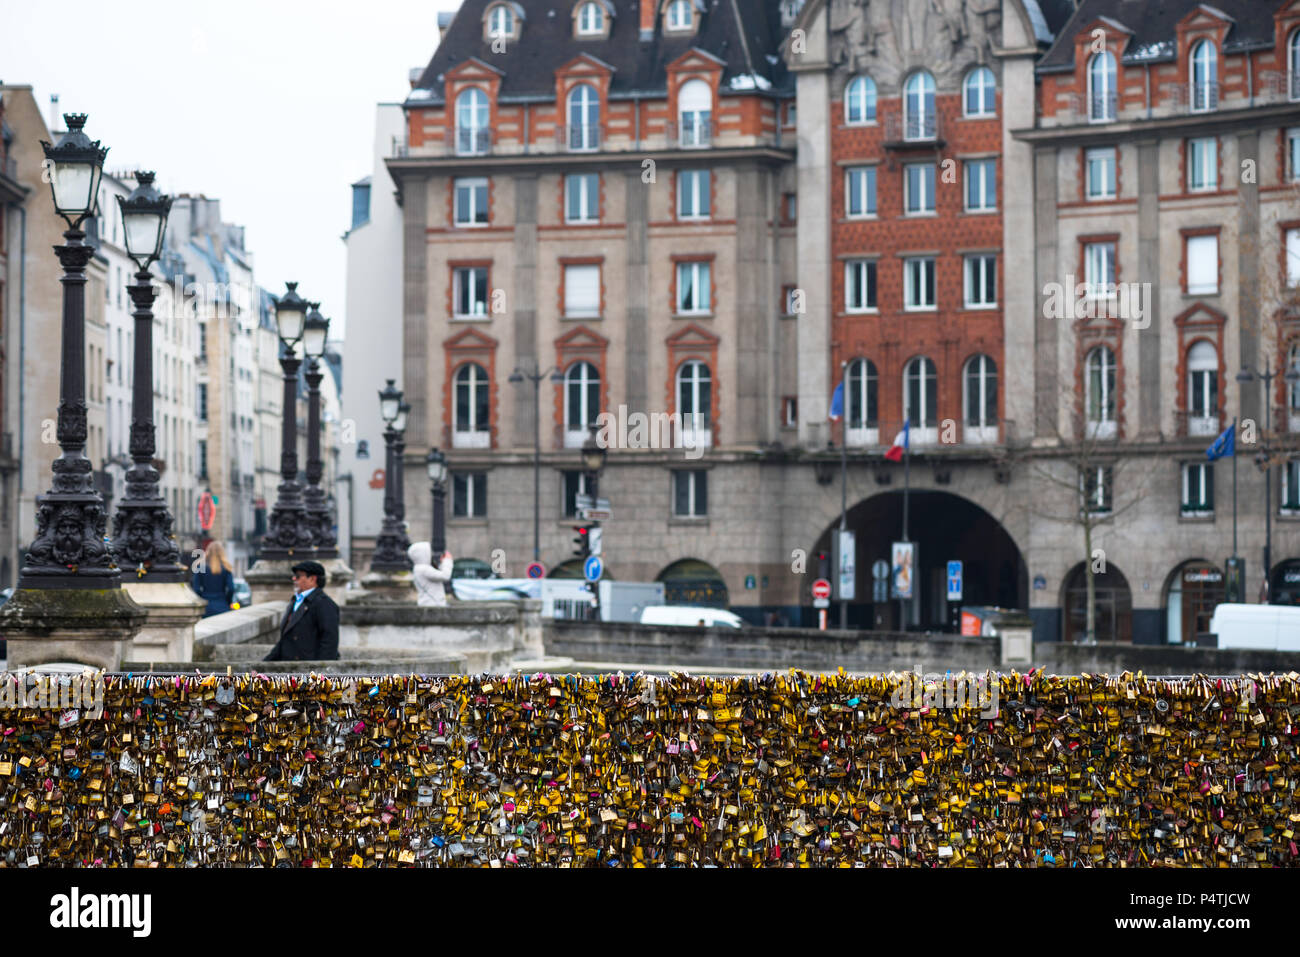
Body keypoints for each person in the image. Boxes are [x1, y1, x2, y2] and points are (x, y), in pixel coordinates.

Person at [264, 560, 340, 661]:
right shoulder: (295, 601)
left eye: (298, 576)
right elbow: (285, 640)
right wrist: (263, 665)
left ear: (312, 579)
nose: (294, 578)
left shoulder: (325, 604)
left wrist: (318, 672)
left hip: (307, 671)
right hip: (290, 668)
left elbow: (329, 643)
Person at [190, 541, 236, 618]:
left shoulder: (201, 566)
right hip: (222, 606)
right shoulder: (226, 567)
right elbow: (231, 589)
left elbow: (196, 589)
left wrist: (203, 598)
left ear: (208, 551)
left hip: (206, 608)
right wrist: (228, 601)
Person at [408, 541, 454, 607]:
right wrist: (447, 560)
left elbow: (438, 575)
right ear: (423, 554)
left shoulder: (418, 568)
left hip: (428, 602)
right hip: (433, 603)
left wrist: (442, 563)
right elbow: (445, 576)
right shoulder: (424, 569)